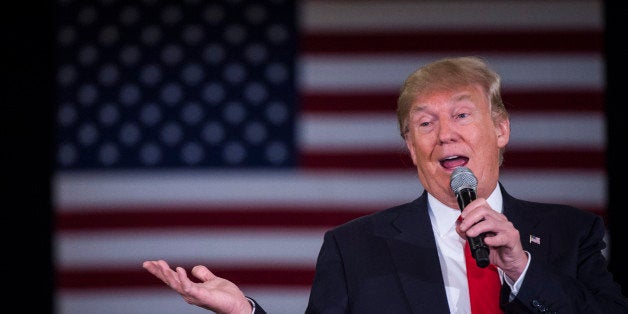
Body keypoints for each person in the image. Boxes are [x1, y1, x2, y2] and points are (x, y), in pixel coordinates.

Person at [143, 56, 628, 313]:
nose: (446, 135)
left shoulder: (571, 232)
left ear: (500, 129)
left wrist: (521, 268)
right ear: (410, 146)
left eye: (462, 114)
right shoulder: (354, 248)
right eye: (425, 124)